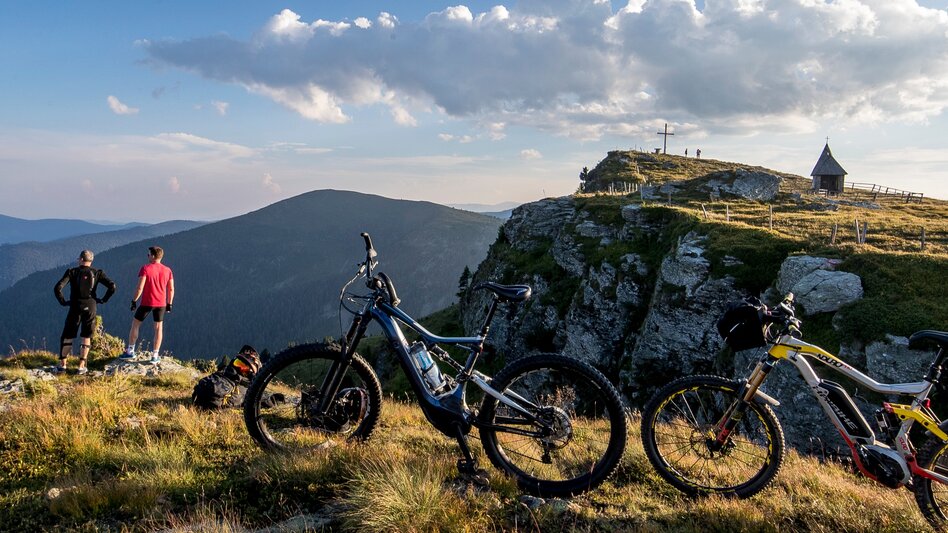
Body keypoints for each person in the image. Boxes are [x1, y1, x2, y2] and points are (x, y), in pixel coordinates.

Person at [54, 250, 116, 375]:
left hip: (75, 306)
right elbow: (112, 286)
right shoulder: (97, 273)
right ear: (91, 260)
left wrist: (63, 302)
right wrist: (103, 300)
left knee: (68, 335)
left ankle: (63, 366)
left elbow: (58, 287)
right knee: (86, 336)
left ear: (81, 259)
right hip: (91, 306)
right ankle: (81, 367)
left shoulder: (72, 272)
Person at [124, 246, 174, 364]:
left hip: (147, 302)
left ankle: (130, 351)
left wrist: (134, 301)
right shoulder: (168, 270)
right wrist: (169, 304)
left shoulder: (145, 268)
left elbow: (140, 287)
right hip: (161, 303)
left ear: (152, 256)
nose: (147, 256)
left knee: (135, 324)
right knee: (158, 328)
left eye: (148, 255)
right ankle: (155, 355)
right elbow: (171, 289)